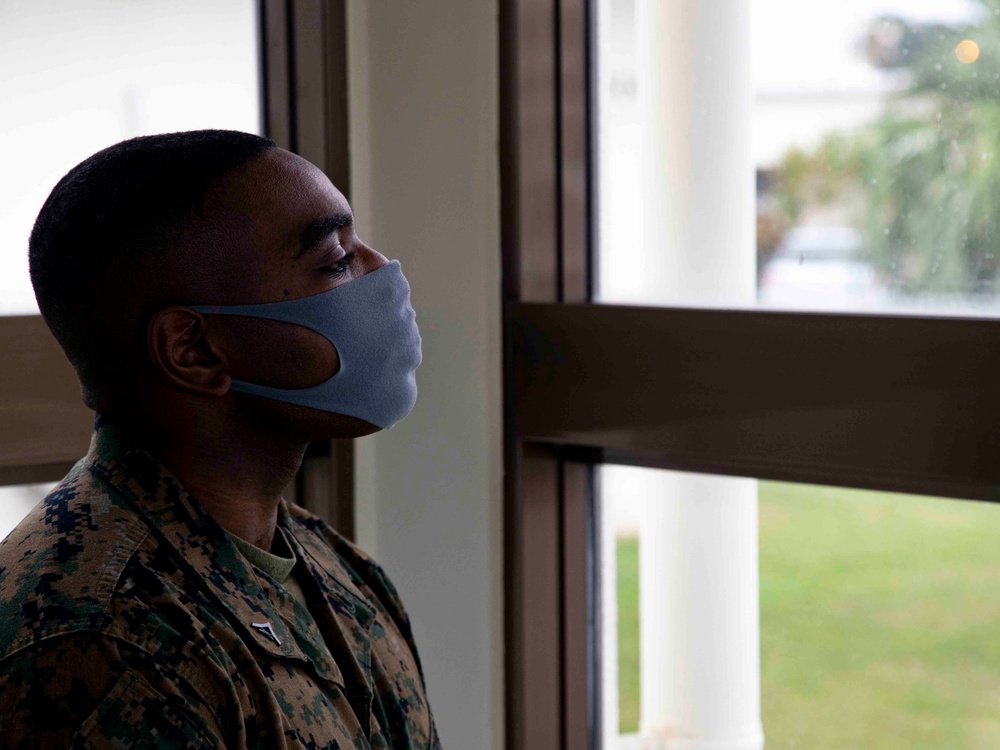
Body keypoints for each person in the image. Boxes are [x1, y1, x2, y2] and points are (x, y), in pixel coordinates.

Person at [0, 129, 438, 749]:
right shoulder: (105, 646)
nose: (383, 273)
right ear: (194, 348)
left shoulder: (339, 570)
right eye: (335, 261)